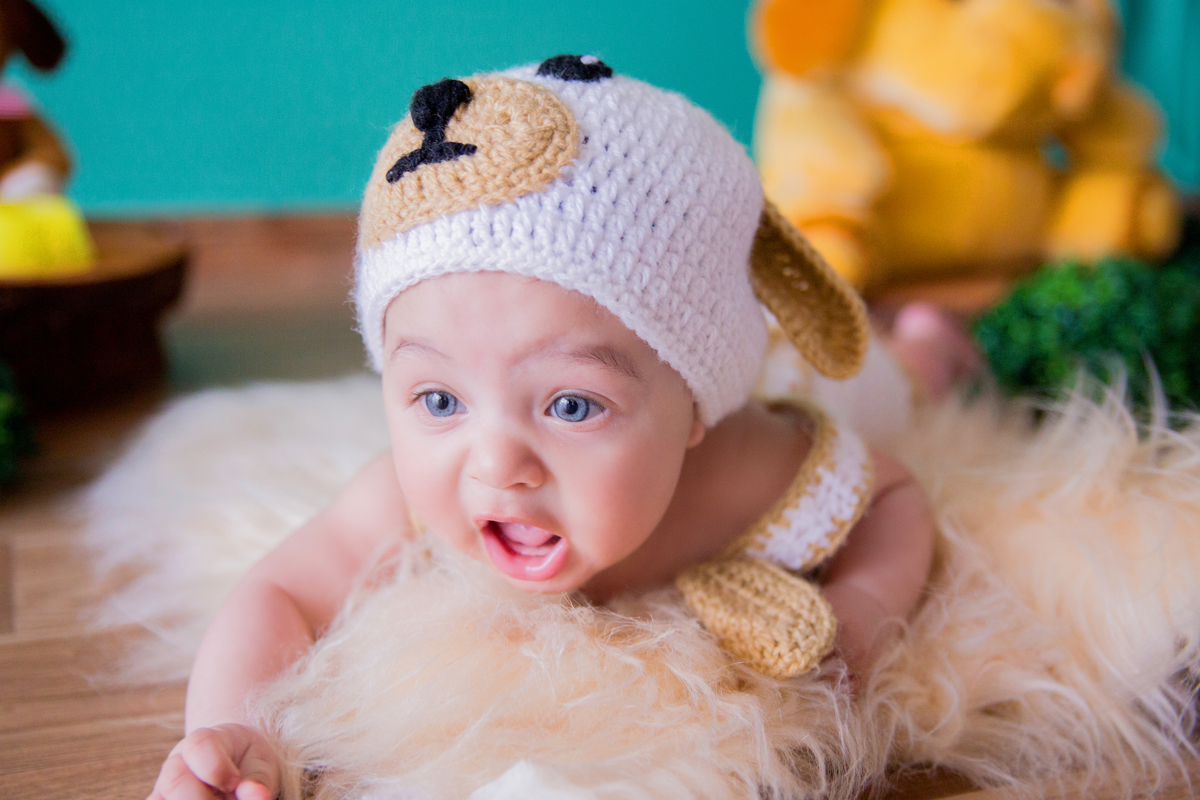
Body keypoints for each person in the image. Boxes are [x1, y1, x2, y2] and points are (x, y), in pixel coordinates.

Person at [148, 56, 948, 800]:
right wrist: (235, 731)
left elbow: (893, 497)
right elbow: (279, 591)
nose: (495, 466)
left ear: (693, 412)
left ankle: (932, 342)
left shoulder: (754, 469)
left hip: (796, 370)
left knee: (892, 381)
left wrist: (863, 604)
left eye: (571, 406)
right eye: (439, 400)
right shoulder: (405, 500)